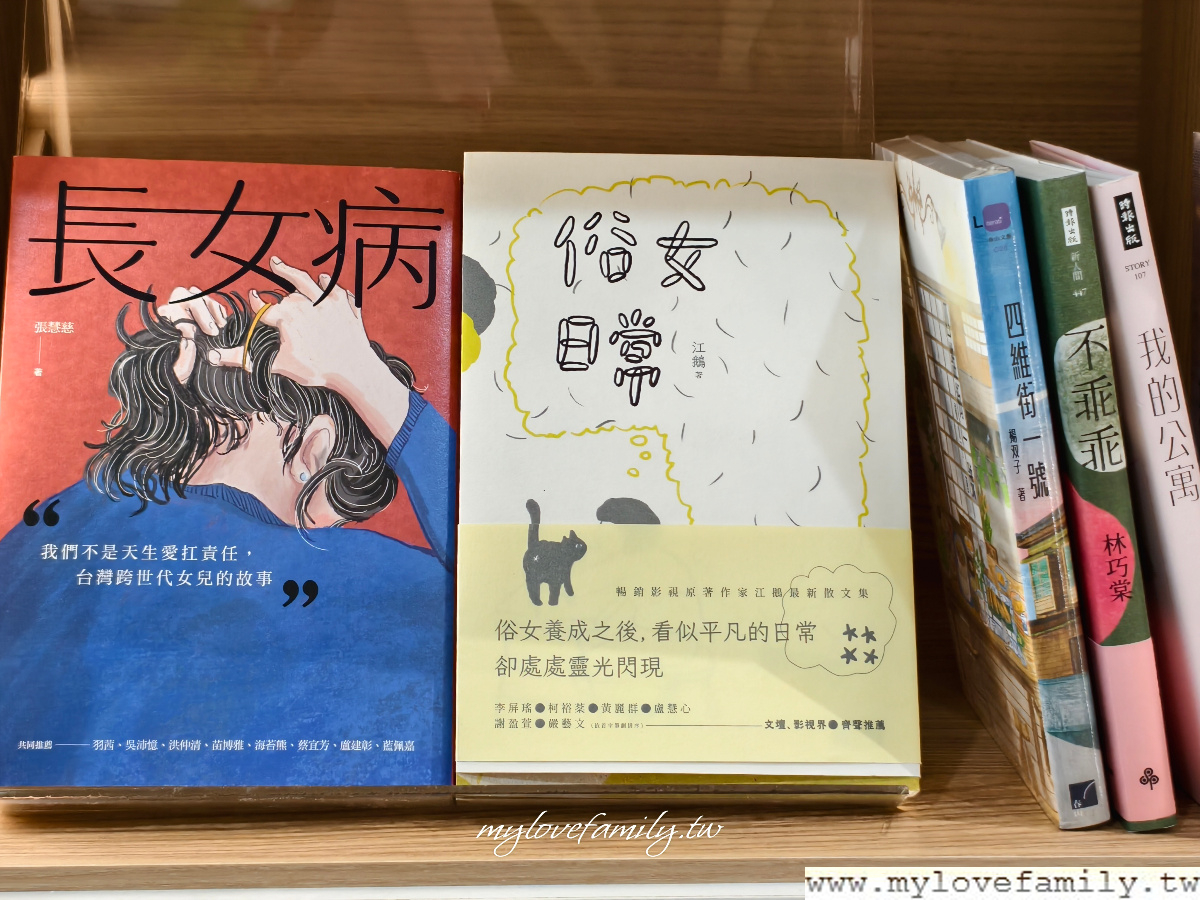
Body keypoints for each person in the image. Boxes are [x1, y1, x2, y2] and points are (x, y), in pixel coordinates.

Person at [0, 258, 455, 787]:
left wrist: (169, 392)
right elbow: (512, 593)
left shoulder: (47, 533)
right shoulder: (371, 585)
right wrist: (367, 380)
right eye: (329, 518)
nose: (323, 536)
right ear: (316, 449)